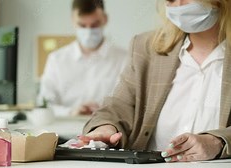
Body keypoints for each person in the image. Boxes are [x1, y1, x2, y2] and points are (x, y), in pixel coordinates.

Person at [79, 0, 231, 162]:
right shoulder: (146, 47)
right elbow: (118, 106)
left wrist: (219, 141)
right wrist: (106, 127)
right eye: (171, 0)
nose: (179, 6)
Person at [38, 0, 128, 116]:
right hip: (65, 131)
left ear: (105, 19)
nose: (89, 31)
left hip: (108, 129)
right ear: (73, 21)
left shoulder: (124, 58)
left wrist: (104, 111)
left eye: (95, 25)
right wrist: (71, 112)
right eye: (82, 25)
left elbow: (129, 105)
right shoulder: (56, 60)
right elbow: (44, 105)